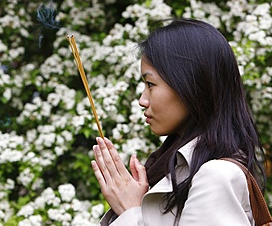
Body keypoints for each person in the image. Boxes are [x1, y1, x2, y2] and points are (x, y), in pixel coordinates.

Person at [91, 18, 266, 225]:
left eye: (150, 84)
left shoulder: (216, 176)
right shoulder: (177, 166)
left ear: (190, 85)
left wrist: (131, 211)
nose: (142, 100)